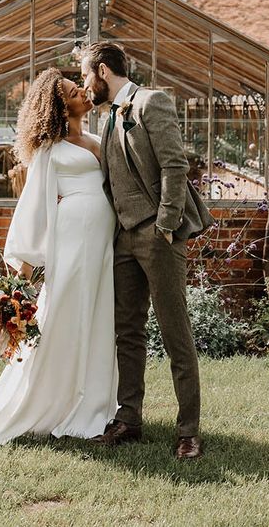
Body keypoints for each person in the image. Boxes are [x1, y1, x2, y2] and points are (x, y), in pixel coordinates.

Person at [0, 68, 117, 444]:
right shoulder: (50, 150)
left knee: (98, 313)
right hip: (73, 239)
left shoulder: (97, 136)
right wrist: (19, 271)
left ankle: (94, 398)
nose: (84, 93)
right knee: (66, 312)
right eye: (74, 92)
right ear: (59, 105)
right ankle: (52, 399)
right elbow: (32, 205)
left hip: (103, 240)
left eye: (80, 87)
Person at [81, 42, 214, 460]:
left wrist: (165, 226)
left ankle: (188, 431)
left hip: (158, 238)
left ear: (102, 70)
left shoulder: (150, 102)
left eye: (86, 75)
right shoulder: (107, 120)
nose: (85, 85)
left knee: (175, 334)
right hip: (122, 239)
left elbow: (176, 166)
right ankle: (129, 419)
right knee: (128, 332)